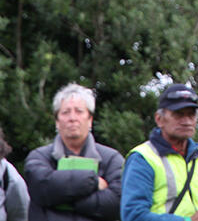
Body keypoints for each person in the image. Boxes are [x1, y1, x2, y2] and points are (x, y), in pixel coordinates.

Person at [121, 83, 198, 221]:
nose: (186, 121)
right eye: (178, 114)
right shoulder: (143, 158)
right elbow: (133, 216)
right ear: (159, 119)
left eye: (191, 114)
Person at [25, 83, 124, 221]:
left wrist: (60, 197)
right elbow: (41, 189)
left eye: (79, 111)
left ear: (90, 120)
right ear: (57, 121)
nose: (72, 118)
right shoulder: (39, 157)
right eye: (65, 112)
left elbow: (116, 204)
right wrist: (93, 182)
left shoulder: (112, 159)